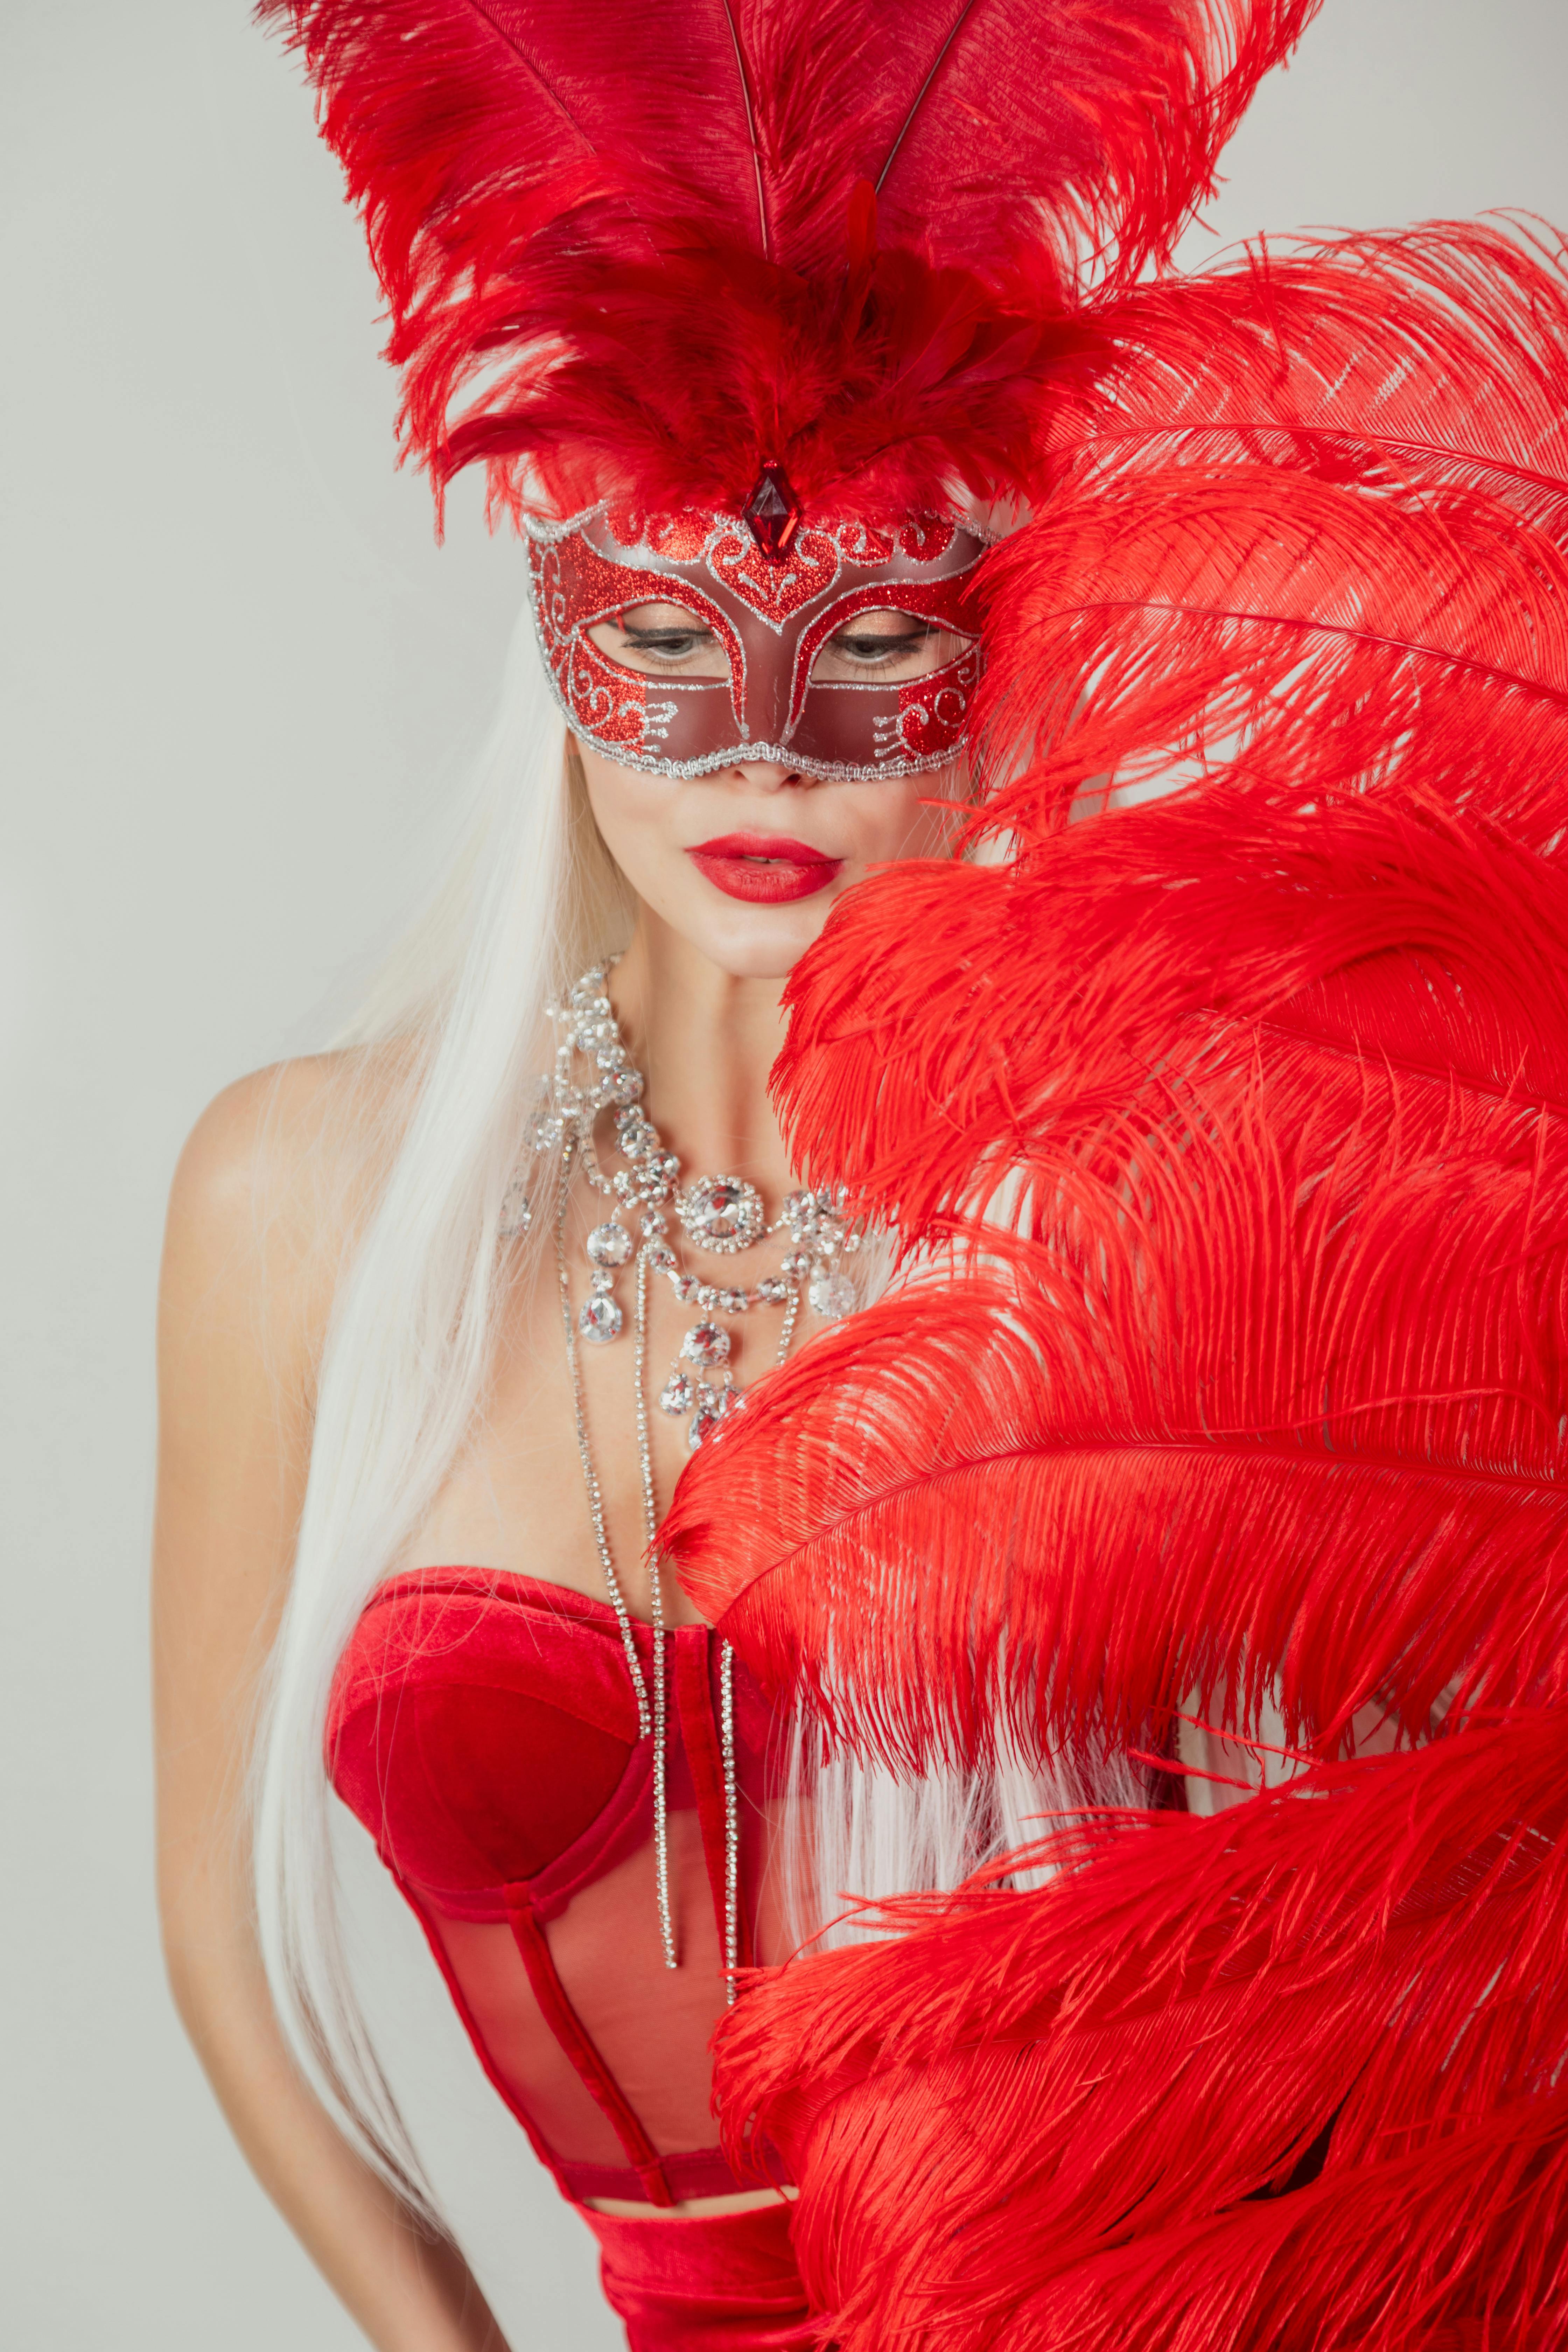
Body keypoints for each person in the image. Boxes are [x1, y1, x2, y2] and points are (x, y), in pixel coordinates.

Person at [151, 2, 1493, 2347]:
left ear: (997, 659)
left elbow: (1410, 1925)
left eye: (873, 642)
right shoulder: (307, 1206)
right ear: (557, 654)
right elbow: (218, 1939)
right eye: (668, 638)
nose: (757, 746)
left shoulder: (1154, 1225)